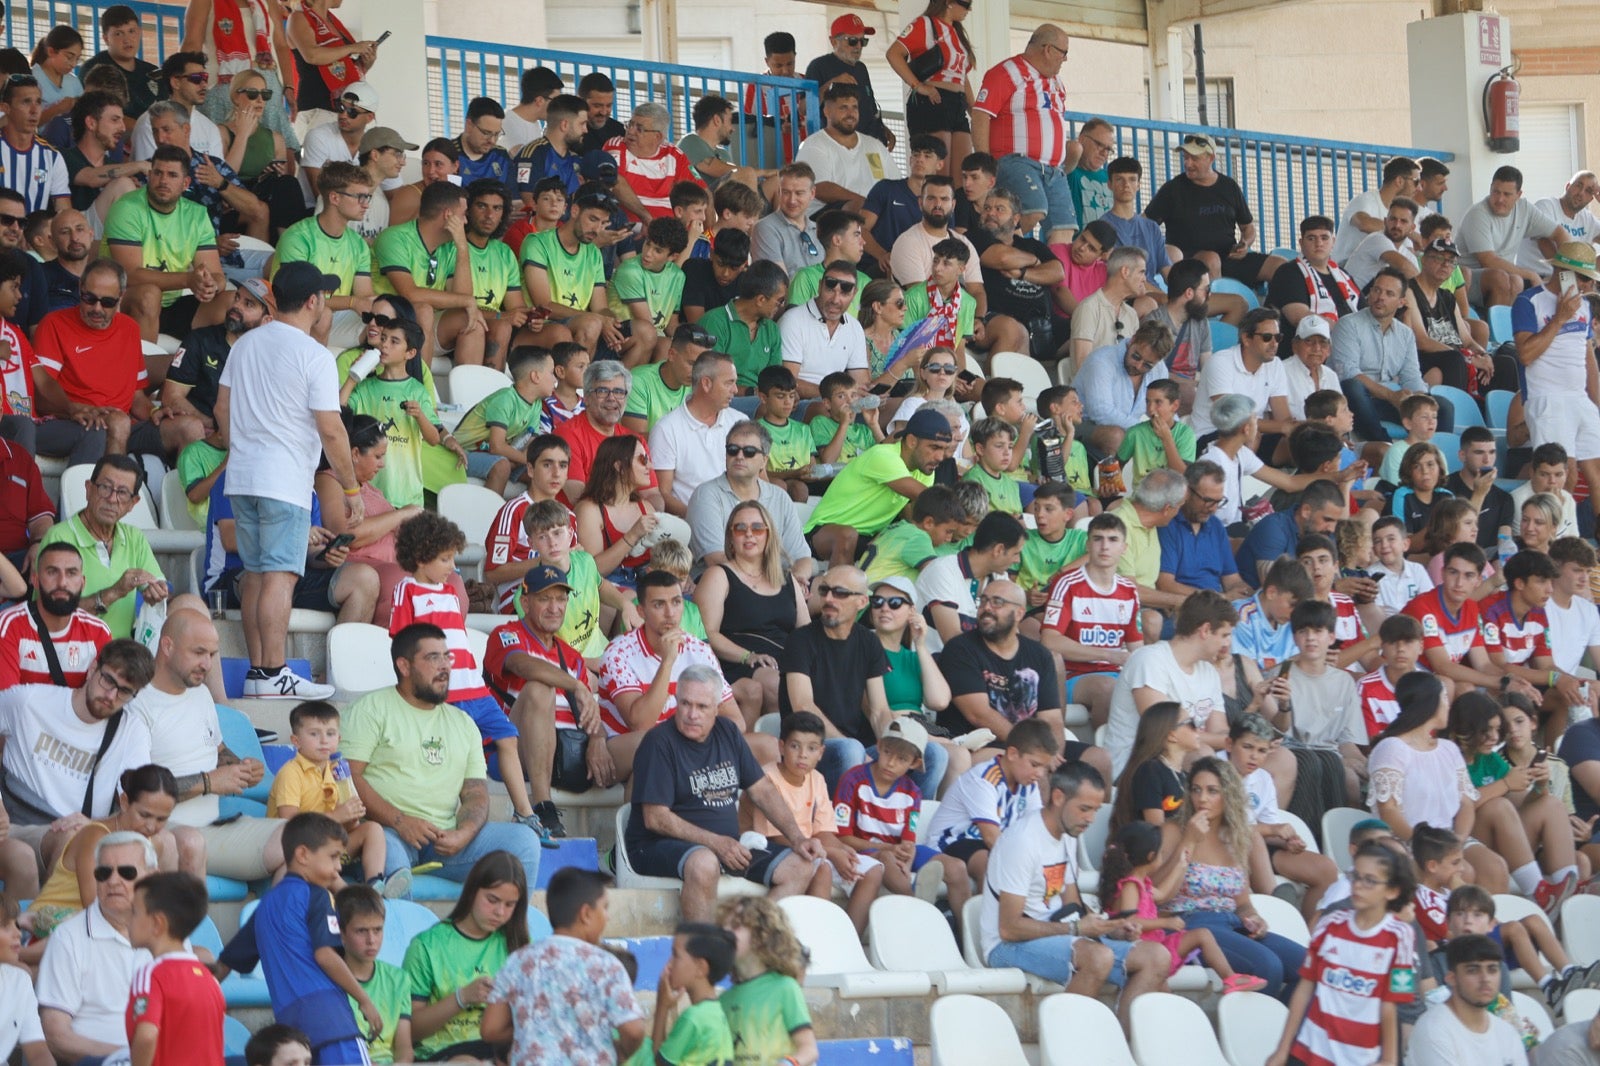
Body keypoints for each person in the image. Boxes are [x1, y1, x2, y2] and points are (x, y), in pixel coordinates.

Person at [216, 262, 359, 699]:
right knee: (280, 576)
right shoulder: (315, 354)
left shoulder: (245, 344)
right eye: (325, 297)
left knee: (258, 574)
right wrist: (351, 488)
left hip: (242, 475)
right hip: (283, 480)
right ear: (313, 302)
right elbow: (331, 429)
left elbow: (222, 408)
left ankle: (262, 676)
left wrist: (243, 445)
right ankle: (274, 671)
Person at [342, 624, 544, 891]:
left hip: (445, 841)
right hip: (386, 832)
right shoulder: (370, 709)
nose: (445, 666)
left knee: (524, 841)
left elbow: (475, 792)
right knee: (386, 855)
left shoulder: (464, 723)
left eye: (447, 657)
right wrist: (401, 822)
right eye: (432, 657)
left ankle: (512, 933)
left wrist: (465, 832)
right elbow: (348, 778)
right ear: (404, 666)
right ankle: (395, 930)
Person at [624, 664, 826, 921]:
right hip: (655, 847)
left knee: (799, 866)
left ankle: (745, 943)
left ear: (717, 708)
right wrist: (716, 843)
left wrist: (798, 838)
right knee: (704, 862)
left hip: (724, 844)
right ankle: (705, 954)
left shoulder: (728, 732)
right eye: (685, 704)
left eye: (702, 707)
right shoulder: (659, 743)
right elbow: (655, 818)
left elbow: (762, 790)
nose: (691, 714)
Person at [982, 761, 1172, 1025]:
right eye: (1084, 809)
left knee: (1157, 957)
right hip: (1007, 946)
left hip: (1056, 934)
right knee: (1097, 957)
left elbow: (1072, 904)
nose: (1091, 819)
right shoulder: (1022, 841)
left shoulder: (1068, 835)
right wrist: (1076, 930)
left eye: (1095, 810)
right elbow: (1009, 928)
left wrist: (1110, 928)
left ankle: (1120, 1043)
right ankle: (1068, 1043)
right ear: (1058, 797)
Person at [128, 609, 287, 889]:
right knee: (191, 841)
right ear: (167, 646)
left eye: (212, 655)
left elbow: (217, 748)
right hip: (165, 830)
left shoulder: (200, 693)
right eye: (199, 652)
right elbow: (136, 794)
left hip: (217, 825)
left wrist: (241, 767)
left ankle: (272, 929)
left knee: (305, 838)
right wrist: (209, 782)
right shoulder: (136, 703)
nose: (207, 664)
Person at [217, 813, 382, 1066]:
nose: (339, 867)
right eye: (334, 856)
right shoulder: (317, 895)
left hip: (292, 1032)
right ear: (303, 854)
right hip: (331, 1020)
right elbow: (325, 955)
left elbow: (225, 965)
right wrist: (364, 999)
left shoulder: (265, 906)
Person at [1155, 757, 1308, 998]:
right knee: (1268, 966)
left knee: (1311, 967)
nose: (1202, 798)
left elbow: (1243, 902)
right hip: (1189, 923)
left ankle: (1280, 1028)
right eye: (1196, 790)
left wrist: (1254, 918)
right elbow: (1157, 894)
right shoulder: (1174, 831)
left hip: (1232, 923)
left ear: (1229, 795)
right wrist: (1189, 842)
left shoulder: (1235, 837)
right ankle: (1252, 1031)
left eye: (1212, 791)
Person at [1266, 841, 1418, 1066]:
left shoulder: (1401, 936)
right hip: (1312, 1049)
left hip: (1361, 1057)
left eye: (1370, 880)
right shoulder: (1329, 924)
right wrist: (1283, 1049)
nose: (1358, 886)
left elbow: (1390, 1004)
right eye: (1355, 876)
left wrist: (1389, 1059)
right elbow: (1305, 988)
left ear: (1393, 890)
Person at [480, 867, 644, 1064]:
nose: (607, 917)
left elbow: (490, 1029)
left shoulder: (517, 961)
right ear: (586, 914)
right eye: (605, 908)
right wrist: (622, 1052)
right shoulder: (605, 964)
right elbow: (634, 1031)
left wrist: (539, 1028)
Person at [32, 258, 178, 462]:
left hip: (124, 425)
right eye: (89, 298)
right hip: (69, 420)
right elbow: (42, 395)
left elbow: (136, 399)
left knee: (188, 427)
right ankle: (110, 490)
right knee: (115, 422)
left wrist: (156, 411)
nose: (97, 309)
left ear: (121, 297)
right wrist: (75, 408)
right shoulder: (54, 324)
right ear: (80, 289)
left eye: (107, 302)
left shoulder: (130, 329)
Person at [34, 830, 159, 1063]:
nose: (113, 880)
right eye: (104, 872)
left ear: (152, 877)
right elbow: (56, 1035)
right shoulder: (69, 938)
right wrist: (128, 1057)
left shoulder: (168, 932)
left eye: (127, 872)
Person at [1511, 242, 1600, 526]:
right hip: (1547, 397)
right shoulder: (1528, 301)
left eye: (1589, 279)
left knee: (1596, 469)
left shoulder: (1584, 304)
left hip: (1578, 397)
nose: (1586, 285)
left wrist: (1597, 404)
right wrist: (1560, 318)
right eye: (1583, 278)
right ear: (1563, 273)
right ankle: (1557, 539)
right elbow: (1525, 355)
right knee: (1565, 472)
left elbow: (1588, 361)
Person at [37, 456, 171, 641]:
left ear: (133, 503)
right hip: (70, 654)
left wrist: (157, 592)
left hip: (121, 659)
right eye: (105, 487)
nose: (112, 499)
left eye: (122, 492)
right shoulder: (59, 537)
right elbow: (48, 614)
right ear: (89, 489)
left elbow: (159, 587)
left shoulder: (135, 538)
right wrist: (113, 592)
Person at [266, 701, 392, 896]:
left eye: (330, 734)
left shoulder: (336, 772)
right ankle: (348, 895)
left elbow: (347, 827)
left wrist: (351, 817)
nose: (324, 740)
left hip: (330, 845)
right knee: (318, 855)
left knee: (372, 829)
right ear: (296, 741)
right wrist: (336, 816)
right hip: (297, 849)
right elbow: (289, 823)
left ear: (338, 739)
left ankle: (375, 882)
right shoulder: (291, 773)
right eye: (314, 734)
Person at [698, 500, 810, 721]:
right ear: (731, 538)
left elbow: (806, 631)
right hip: (739, 662)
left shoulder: (787, 577)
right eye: (740, 529)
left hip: (786, 660)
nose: (749, 534)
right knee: (778, 685)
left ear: (769, 535)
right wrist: (748, 656)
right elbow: (708, 634)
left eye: (757, 528)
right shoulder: (718, 575)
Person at [104, 146, 227, 344]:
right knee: (149, 294)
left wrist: (211, 286)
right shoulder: (127, 208)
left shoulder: (197, 215)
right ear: (150, 175)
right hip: (122, 300)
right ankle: (142, 371)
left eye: (172, 175)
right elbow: (131, 275)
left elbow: (217, 275)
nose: (163, 181)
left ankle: (205, 368)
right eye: (158, 173)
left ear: (185, 183)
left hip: (173, 303)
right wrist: (188, 280)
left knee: (230, 302)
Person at [1107, 590, 1237, 776]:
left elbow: (1220, 731)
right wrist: (1234, 741)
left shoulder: (1209, 672)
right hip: (1135, 771)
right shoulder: (1150, 660)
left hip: (1178, 766)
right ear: (1205, 630)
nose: (1228, 644)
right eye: (1225, 635)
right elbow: (1166, 732)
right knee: (1204, 758)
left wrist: (1244, 742)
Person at [804, 408, 950, 567]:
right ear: (911, 441)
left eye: (944, 449)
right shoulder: (883, 455)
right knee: (847, 534)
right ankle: (839, 588)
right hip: (822, 533)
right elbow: (930, 500)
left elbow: (913, 515)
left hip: (868, 538)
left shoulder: (925, 469)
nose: (940, 457)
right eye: (934, 447)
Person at [1044, 512, 1144, 728]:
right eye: (1098, 539)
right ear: (1088, 544)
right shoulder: (1067, 584)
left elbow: (1137, 648)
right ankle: (1110, 757)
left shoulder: (1129, 590)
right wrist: (1109, 655)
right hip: (1075, 676)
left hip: (1117, 675)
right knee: (1107, 689)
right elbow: (1050, 641)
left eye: (1113, 539)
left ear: (1124, 548)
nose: (1104, 546)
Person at [1145, 132, 1286, 286]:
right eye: (1185, 158)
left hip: (1229, 257)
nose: (1188, 163)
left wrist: (1245, 244)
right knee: (1211, 259)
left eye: (1195, 158)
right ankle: (1217, 306)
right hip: (1190, 262)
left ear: (1211, 158)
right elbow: (1144, 224)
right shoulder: (1172, 189)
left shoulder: (1229, 186)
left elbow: (1248, 228)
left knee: (1282, 266)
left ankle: (1275, 308)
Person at [686, 419, 812, 584]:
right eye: (732, 450)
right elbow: (716, 560)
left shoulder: (780, 497)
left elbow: (802, 557)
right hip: (724, 584)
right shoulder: (706, 495)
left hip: (777, 581)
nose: (739, 456)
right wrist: (772, 587)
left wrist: (798, 580)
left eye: (749, 452)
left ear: (764, 461)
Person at [125, 871, 225, 1066]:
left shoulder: (151, 975)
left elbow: (146, 1035)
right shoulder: (209, 978)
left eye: (134, 912)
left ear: (157, 923)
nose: (128, 920)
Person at [1405, 934, 1530, 1066]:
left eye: (1492, 970)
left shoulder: (1507, 1033)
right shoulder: (1433, 1029)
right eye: (1473, 970)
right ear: (1451, 978)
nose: (1485, 979)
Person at [0, 540, 109, 688]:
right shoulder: (8, 625)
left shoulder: (99, 632)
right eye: (52, 572)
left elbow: (105, 700)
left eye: (71, 573)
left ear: (82, 583)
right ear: (35, 580)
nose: (62, 582)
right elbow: (7, 701)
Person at [1457, 165, 1567, 308]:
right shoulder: (1477, 214)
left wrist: (1564, 273)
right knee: (1501, 278)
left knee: (1517, 281)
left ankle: (1504, 328)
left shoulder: (1525, 209)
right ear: (1490, 188)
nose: (1500, 199)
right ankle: (1493, 328)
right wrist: (1531, 275)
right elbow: (1488, 261)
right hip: (1465, 278)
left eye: (1507, 194)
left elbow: (1560, 233)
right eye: (1496, 192)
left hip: (1505, 277)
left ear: (1518, 195)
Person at [648, 351, 743, 515]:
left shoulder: (741, 422)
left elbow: (760, 479)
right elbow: (662, 494)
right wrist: (701, 520)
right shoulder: (667, 428)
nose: (735, 390)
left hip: (743, 523)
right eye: (729, 383)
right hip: (692, 525)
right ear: (706, 384)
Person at [1190, 306, 1294, 446]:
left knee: (1294, 442)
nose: (1274, 344)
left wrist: (1294, 429)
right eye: (1267, 337)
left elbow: (1283, 417)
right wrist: (1283, 427)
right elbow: (1232, 418)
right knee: (1250, 432)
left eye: (1278, 337)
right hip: (1211, 436)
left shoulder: (1275, 364)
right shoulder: (1220, 362)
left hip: (1251, 434)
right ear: (1246, 338)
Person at [1264, 215, 1361, 359]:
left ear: (1333, 242)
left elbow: (1364, 312)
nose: (1318, 243)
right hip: (1306, 355)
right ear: (1301, 243)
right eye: (1311, 238)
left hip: (1348, 350)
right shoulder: (1288, 272)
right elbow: (1300, 318)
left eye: (1324, 238)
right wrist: (1346, 333)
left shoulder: (1343, 275)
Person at [1073, 318, 1174, 456]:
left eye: (1147, 365)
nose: (1138, 366)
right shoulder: (1102, 361)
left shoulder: (1160, 369)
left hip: (1132, 427)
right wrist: (1144, 430)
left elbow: (1164, 407)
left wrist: (1172, 430)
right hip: (1081, 424)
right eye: (1136, 356)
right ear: (1132, 340)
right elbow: (1100, 412)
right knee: (1115, 436)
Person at [1157, 460, 1254, 603]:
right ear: (1187, 492)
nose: (1213, 509)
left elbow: (1232, 580)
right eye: (1208, 500)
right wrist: (1221, 598)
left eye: (1219, 501)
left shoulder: (1216, 526)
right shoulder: (1168, 523)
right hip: (1184, 606)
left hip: (1217, 605)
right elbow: (1165, 584)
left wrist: (1252, 596)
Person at [794, 82, 899, 214]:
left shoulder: (874, 145)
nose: (851, 113)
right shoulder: (814, 145)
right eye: (843, 108)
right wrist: (870, 205)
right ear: (826, 111)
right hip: (827, 221)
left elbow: (896, 184)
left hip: (874, 217)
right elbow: (820, 187)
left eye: (854, 107)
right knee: (855, 207)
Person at [642, 923, 737, 1064]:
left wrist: (662, 1005)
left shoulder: (693, 1018)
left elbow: (658, 1062)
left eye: (675, 955)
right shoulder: (715, 1012)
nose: (669, 964)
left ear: (700, 968)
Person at [779, 259, 870, 400]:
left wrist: (869, 395)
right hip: (802, 403)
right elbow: (788, 381)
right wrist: (836, 397)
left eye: (844, 293)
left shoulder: (855, 327)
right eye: (830, 289)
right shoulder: (793, 320)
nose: (835, 299)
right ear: (820, 285)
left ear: (854, 294)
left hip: (840, 403)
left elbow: (862, 383)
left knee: (898, 406)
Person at [0, 72, 70, 213]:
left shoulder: (52, 157)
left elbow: (63, 211)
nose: (34, 110)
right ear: (5, 108)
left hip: (34, 233)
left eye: (38, 102)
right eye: (26, 102)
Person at [84, 5, 160, 120]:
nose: (127, 39)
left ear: (139, 32)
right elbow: (95, 113)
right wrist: (142, 130)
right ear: (106, 39)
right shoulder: (94, 69)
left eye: (131, 31)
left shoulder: (152, 71)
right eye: (118, 33)